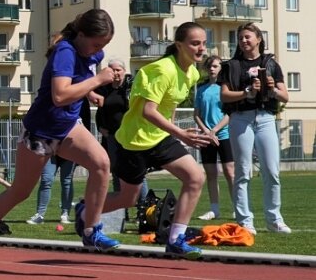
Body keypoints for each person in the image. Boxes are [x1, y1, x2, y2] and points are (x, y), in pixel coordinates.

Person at [0, 9, 120, 267]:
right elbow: (59, 96)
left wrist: (89, 93)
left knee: (102, 164)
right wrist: (96, 82)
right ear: (81, 35)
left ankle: (92, 229)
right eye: (95, 44)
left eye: (103, 46)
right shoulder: (65, 53)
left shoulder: (93, 53)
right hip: (40, 132)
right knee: (20, 192)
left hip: (68, 127)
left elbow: (78, 80)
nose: (98, 50)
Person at [107, 22, 212, 259]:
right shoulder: (162, 70)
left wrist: (175, 132)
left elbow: (169, 106)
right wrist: (181, 134)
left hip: (160, 137)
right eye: (195, 43)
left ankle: (175, 238)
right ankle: (86, 210)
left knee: (195, 177)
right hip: (134, 140)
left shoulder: (192, 73)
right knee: (128, 198)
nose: (201, 49)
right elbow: (148, 111)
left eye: (204, 43)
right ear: (179, 45)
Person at [219, 22, 290, 235]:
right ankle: (245, 221)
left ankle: (274, 219)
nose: (243, 41)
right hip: (241, 118)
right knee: (242, 172)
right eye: (240, 38)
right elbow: (224, 95)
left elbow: (285, 95)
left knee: (272, 171)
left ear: (258, 39)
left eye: (248, 37)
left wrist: (272, 89)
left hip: (266, 118)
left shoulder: (271, 64)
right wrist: (246, 92)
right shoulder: (231, 65)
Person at [95, 58, 149, 212]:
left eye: (118, 69)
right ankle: (119, 211)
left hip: (131, 136)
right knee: (117, 173)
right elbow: (100, 109)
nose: (116, 73)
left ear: (124, 71)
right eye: (112, 70)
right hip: (112, 137)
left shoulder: (132, 87)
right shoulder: (104, 88)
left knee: (138, 173)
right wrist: (101, 127)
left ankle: (144, 209)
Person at [194, 55, 235, 221]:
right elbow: (197, 115)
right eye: (210, 66)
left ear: (220, 68)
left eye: (216, 66)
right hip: (206, 137)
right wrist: (206, 132)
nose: (212, 68)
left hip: (224, 136)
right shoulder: (201, 89)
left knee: (230, 172)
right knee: (211, 174)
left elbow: (229, 113)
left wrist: (215, 131)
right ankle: (214, 209)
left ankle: (237, 208)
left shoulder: (226, 89)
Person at [26, 155, 75, 225]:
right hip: (51, 153)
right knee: (46, 180)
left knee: (67, 182)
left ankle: (65, 214)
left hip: (68, 152)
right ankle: (40, 215)